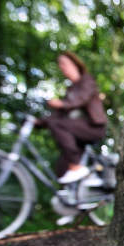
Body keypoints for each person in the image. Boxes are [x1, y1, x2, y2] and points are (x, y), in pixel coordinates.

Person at [38, 51, 107, 184]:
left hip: (93, 128)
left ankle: (76, 166)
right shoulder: (70, 90)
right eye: (60, 65)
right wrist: (37, 122)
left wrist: (61, 104)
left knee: (58, 124)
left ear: (75, 64)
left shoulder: (87, 80)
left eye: (64, 63)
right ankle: (70, 201)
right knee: (62, 170)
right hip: (77, 134)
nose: (62, 67)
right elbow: (58, 115)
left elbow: (81, 99)